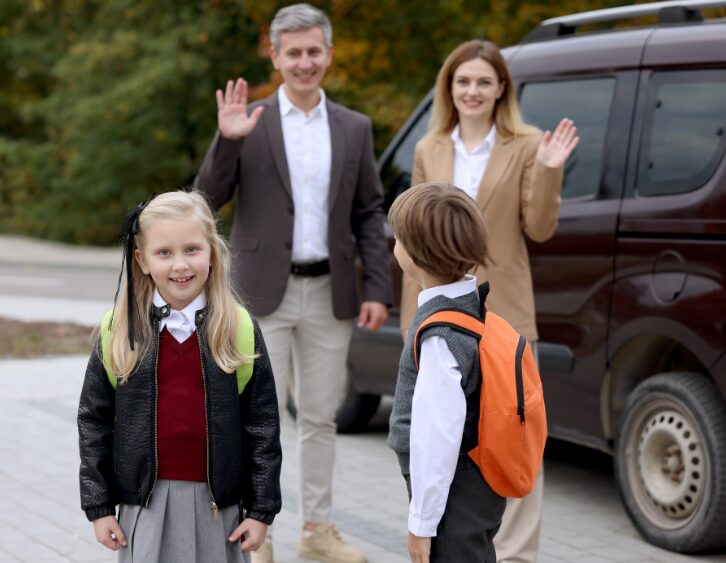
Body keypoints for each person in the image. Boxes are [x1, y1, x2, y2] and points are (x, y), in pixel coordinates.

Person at [195, 4, 392, 563]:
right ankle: (258, 535)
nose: (305, 62)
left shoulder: (354, 128)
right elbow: (204, 202)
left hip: (331, 293)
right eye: (294, 52)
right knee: (258, 417)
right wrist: (227, 140)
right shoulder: (249, 121)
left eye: (314, 51)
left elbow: (369, 211)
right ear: (275, 56)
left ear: (328, 54)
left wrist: (377, 286)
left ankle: (318, 532)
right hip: (261, 295)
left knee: (321, 418)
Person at [398, 39, 579, 563]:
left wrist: (548, 168)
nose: (472, 90)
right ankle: (448, 539)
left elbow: (540, 228)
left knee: (514, 437)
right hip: (442, 316)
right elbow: (413, 240)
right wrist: (417, 322)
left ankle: (518, 555)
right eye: (463, 81)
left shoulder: (525, 145)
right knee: (442, 437)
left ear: (502, 88)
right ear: (448, 88)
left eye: (483, 81)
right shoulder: (429, 148)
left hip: (506, 314)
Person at [77, 190, 282, 563]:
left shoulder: (237, 328)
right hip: (145, 503)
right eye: (164, 253)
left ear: (212, 252)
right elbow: (94, 422)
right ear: (141, 260)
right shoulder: (119, 331)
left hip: (219, 505)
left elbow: (262, 426)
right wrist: (100, 505)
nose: (180, 265)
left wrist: (261, 510)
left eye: (192, 249)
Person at [388, 182, 505, 562]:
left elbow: (435, 438)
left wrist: (421, 525)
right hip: (470, 491)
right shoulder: (470, 305)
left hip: (452, 498)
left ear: (415, 255)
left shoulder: (441, 336)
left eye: (398, 239)